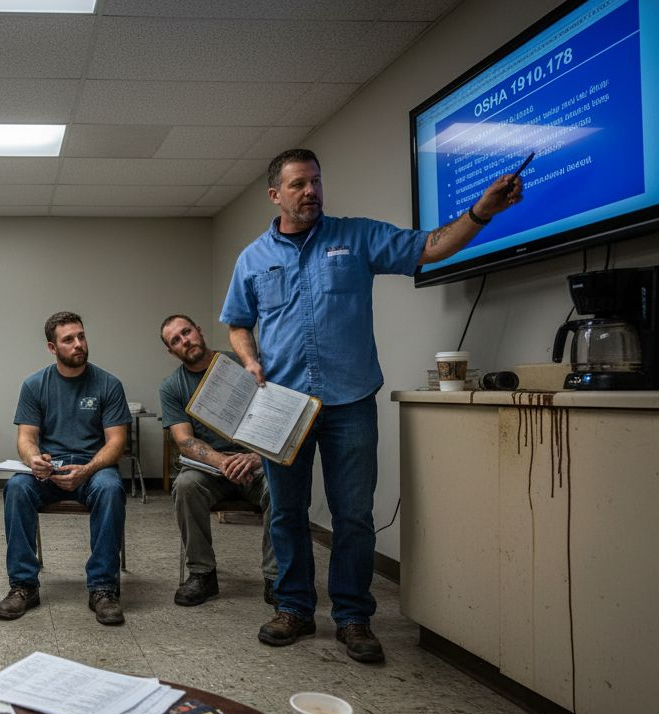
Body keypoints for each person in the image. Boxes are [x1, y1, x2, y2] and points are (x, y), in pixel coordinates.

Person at [221, 148, 523, 663]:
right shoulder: (252, 258)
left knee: (354, 515)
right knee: (286, 513)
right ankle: (293, 607)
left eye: (315, 181)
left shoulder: (355, 237)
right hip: (283, 407)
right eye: (297, 184)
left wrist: (481, 212)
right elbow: (238, 322)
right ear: (275, 195)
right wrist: (249, 361)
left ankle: (353, 616)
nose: (310, 191)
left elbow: (429, 248)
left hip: (350, 401)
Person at [0, 311, 131, 625]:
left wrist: (87, 469)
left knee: (111, 488)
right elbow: (26, 438)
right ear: (52, 347)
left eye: (81, 336)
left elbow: (116, 443)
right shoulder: (34, 385)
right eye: (68, 339)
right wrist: (34, 460)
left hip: (94, 469)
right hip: (50, 471)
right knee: (16, 488)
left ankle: (102, 588)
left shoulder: (108, 384)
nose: (78, 344)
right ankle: (24, 585)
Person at [158, 314, 276, 607]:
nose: (185, 340)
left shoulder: (243, 364)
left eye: (187, 332)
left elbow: (276, 417)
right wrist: (224, 462)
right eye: (176, 340)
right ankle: (202, 574)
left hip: (256, 461)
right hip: (212, 469)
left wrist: (254, 457)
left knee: (281, 488)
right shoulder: (172, 386)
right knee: (186, 485)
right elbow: (184, 441)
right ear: (171, 351)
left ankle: (277, 576)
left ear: (199, 329)